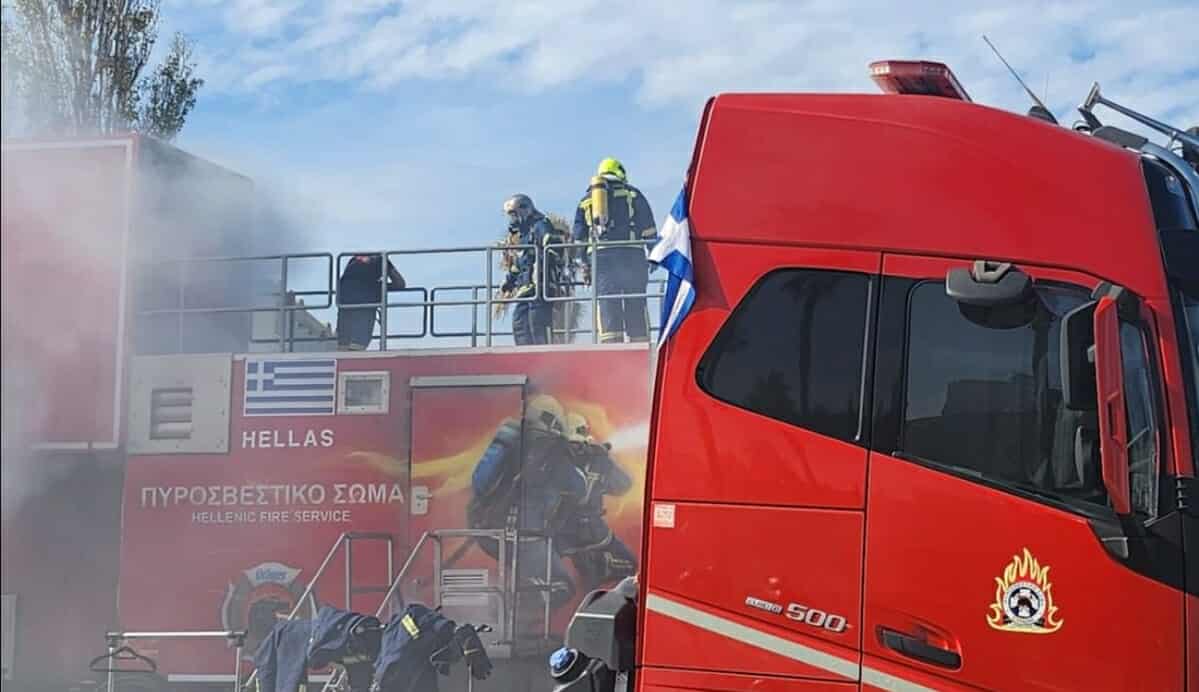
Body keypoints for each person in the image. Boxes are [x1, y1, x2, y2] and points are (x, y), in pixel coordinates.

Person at [572, 158, 657, 343]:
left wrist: (584, 265)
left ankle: (611, 344)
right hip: (632, 256)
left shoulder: (586, 200)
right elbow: (649, 227)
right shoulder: (633, 194)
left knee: (607, 301)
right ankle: (639, 341)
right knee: (635, 300)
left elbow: (578, 238)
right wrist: (654, 254)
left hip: (601, 259)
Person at [559, 412, 637, 592]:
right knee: (629, 564)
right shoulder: (591, 460)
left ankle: (594, 568)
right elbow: (623, 485)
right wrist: (603, 460)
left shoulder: (560, 458)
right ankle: (598, 564)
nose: (577, 449)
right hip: (591, 533)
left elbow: (622, 486)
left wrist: (604, 461)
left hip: (569, 534)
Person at [500, 194, 565, 345]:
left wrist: (548, 263)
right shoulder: (524, 235)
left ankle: (545, 357)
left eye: (514, 215)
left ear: (525, 210)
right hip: (526, 290)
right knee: (519, 323)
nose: (512, 220)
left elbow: (553, 246)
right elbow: (521, 262)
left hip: (540, 286)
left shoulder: (540, 225)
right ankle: (524, 358)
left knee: (538, 323)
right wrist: (509, 281)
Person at [336, 254, 405, 350]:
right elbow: (400, 283)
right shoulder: (381, 260)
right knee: (357, 346)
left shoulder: (352, 263)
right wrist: (384, 286)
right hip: (364, 307)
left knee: (343, 347)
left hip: (345, 306)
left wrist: (380, 286)